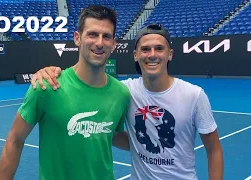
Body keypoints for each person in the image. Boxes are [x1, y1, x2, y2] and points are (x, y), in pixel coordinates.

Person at [31, 23, 224, 180]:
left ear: (170, 54)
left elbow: (214, 150)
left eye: (159, 48)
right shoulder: (124, 92)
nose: (152, 55)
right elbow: (106, 123)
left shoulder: (194, 95)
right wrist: (50, 72)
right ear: (136, 55)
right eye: (145, 49)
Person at [0, 5, 131, 180]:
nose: (99, 43)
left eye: (106, 36)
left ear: (113, 44)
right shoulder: (47, 86)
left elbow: (112, 134)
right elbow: (15, 140)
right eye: (92, 34)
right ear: (77, 38)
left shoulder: (121, 93)